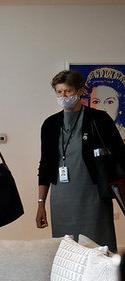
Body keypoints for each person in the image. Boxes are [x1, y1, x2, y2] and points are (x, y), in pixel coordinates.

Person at [36, 70, 125, 252]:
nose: (63, 96)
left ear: (80, 91)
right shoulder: (50, 124)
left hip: (93, 197)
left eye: (68, 91)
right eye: (59, 92)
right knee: (67, 249)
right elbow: (45, 165)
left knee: (98, 248)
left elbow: (120, 155)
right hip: (62, 199)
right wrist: (40, 203)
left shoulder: (98, 119)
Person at [83, 67, 125, 141]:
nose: (102, 108)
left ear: (120, 106)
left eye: (109, 102)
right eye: (96, 102)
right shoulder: (84, 136)